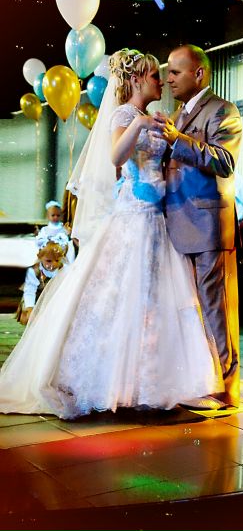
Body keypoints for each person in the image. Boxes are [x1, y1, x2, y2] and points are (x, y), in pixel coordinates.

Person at [0, 48, 223, 419]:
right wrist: (140, 126)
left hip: (157, 219)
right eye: (154, 76)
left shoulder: (155, 116)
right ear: (136, 80)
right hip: (134, 219)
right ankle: (114, 382)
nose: (161, 81)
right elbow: (116, 157)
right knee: (124, 298)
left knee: (155, 302)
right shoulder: (124, 115)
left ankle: (152, 380)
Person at [152, 44, 242, 408]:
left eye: (175, 72)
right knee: (191, 308)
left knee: (214, 306)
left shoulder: (223, 110)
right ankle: (201, 379)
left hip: (206, 224)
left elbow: (225, 161)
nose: (168, 79)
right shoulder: (178, 113)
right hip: (177, 224)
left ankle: (226, 388)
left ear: (199, 73)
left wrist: (178, 140)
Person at [15, 233, 68, 325]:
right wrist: (30, 308)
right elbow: (30, 291)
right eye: (48, 261)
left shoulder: (63, 269)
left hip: (54, 298)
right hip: (36, 297)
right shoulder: (34, 271)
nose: (53, 264)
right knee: (32, 319)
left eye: (57, 260)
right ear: (40, 258)